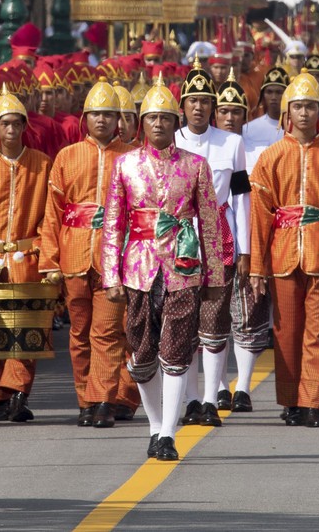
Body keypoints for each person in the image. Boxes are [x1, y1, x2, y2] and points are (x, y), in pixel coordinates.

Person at [101, 77, 225, 462]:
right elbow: (112, 224)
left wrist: (215, 275)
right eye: (152, 118)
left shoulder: (196, 166)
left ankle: (169, 434)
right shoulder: (125, 165)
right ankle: (155, 425)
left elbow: (210, 222)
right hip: (137, 267)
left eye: (165, 118)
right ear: (142, 122)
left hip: (182, 267)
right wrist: (110, 274)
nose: (159, 124)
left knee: (175, 349)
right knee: (140, 353)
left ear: (176, 122)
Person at [249, 71, 319, 427]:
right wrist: (256, 269)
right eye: (298, 106)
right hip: (282, 254)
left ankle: (314, 402)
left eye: (312, 107)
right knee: (286, 331)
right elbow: (259, 217)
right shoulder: (271, 157)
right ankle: (291, 399)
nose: (305, 113)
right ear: (287, 112)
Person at [39, 81, 139, 428]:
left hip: (117, 260)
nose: (102, 120)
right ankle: (85, 399)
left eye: (108, 114)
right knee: (79, 334)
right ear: (85, 118)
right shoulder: (67, 156)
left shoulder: (131, 158)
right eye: (95, 114)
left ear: (118, 119)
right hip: (74, 255)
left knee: (108, 332)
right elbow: (53, 213)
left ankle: (103, 401)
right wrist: (49, 261)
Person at [0, 85, 52, 423]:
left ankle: (20, 394)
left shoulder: (43, 165)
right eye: (5, 123)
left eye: (17, 123)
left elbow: (51, 214)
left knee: (27, 328)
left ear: (24, 126)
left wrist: (43, 251)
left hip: (27, 257)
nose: (11, 130)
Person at [175, 64, 251, 425]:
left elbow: (242, 200)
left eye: (206, 101)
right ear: (183, 105)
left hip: (219, 236)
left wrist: (245, 249)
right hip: (179, 240)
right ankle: (189, 399)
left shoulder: (232, 143)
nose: (199, 108)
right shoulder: (172, 142)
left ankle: (209, 398)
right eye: (193, 101)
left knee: (215, 322)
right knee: (183, 322)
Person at [214, 72, 269, 412]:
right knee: (213, 316)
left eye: (236, 111)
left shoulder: (260, 151)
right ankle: (219, 386)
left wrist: (252, 249)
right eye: (224, 111)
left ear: (245, 115)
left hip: (249, 240)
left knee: (248, 315)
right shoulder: (205, 146)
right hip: (210, 244)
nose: (230, 117)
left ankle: (244, 387)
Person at [241, 66, 286, 173]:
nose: (274, 97)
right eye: (269, 92)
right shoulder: (249, 129)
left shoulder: (296, 128)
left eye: (279, 92)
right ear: (262, 95)